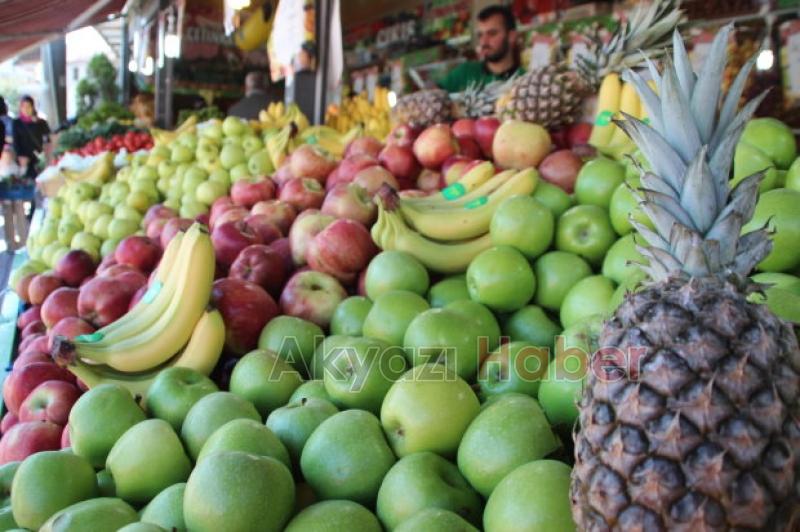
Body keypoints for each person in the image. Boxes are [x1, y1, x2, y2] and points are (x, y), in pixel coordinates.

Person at [438, 5, 523, 93]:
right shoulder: (465, 72)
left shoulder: (523, 81)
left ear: (511, 36)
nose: (483, 42)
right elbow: (432, 94)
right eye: (480, 35)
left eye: (492, 33)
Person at [12, 95, 50, 178]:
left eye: (28, 106)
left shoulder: (41, 122)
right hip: (25, 159)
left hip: (40, 158)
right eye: (23, 106)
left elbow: (48, 138)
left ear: (33, 107)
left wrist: (35, 123)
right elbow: (15, 141)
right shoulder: (16, 123)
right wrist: (20, 156)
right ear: (20, 108)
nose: (26, 109)